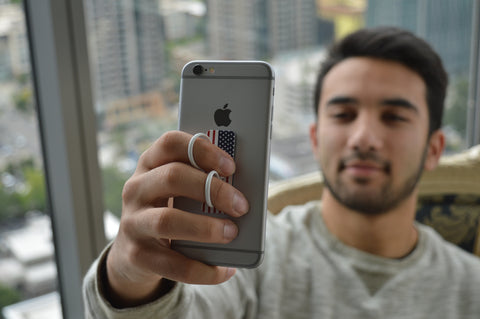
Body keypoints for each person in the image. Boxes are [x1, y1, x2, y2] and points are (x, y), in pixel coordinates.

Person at [83, 27, 480, 318]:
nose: (363, 137)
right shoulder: (252, 258)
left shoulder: (471, 289)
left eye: (393, 117)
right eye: (343, 114)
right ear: (314, 138)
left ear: (434, 150)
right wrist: (129, 276)